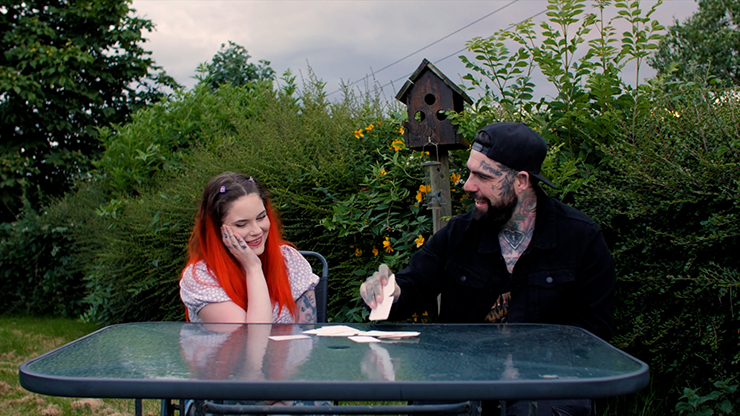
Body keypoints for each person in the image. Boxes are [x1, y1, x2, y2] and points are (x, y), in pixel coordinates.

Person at [359, 122, 616, 416]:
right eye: (470, 172)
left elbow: (593, 333)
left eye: (483, 176)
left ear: (521, 180)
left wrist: (536, 369)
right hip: (458, 380)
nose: (468, 185)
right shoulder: (458, 234)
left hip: (548, 385)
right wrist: (387, 292)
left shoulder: (581, 238)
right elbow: (413, 285)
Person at [180, 172, 318, 324]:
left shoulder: (290, 260)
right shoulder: (201, 278)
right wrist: (253, 267)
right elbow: (253, 336)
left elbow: (308, 332)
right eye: (241, 224)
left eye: (261, 217)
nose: (257, 231)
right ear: (216, 230)